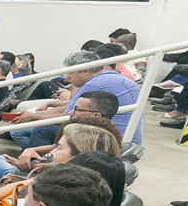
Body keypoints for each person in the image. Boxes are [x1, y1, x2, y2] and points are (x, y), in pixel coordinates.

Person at [0, 91, 119, 185]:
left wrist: (28, 167)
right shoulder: (95, 134)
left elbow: (60, 173)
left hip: (31, 180)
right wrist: (31, 151)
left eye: (77, 109)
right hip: (32, 172)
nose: (71, 113)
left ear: (96, 115)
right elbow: (57, 150)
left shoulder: (93, 139)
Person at [10, 50, 143, 147]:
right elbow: (70, 109)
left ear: (84, 71)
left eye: (70, 72)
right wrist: (35, 114)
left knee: (39, 131)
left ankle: (40, 164)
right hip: (130, 138)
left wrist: (34, 117)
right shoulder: (109, 77)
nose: (68, 77)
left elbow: (67, 116)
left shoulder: (94, 83)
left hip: (114, 139)